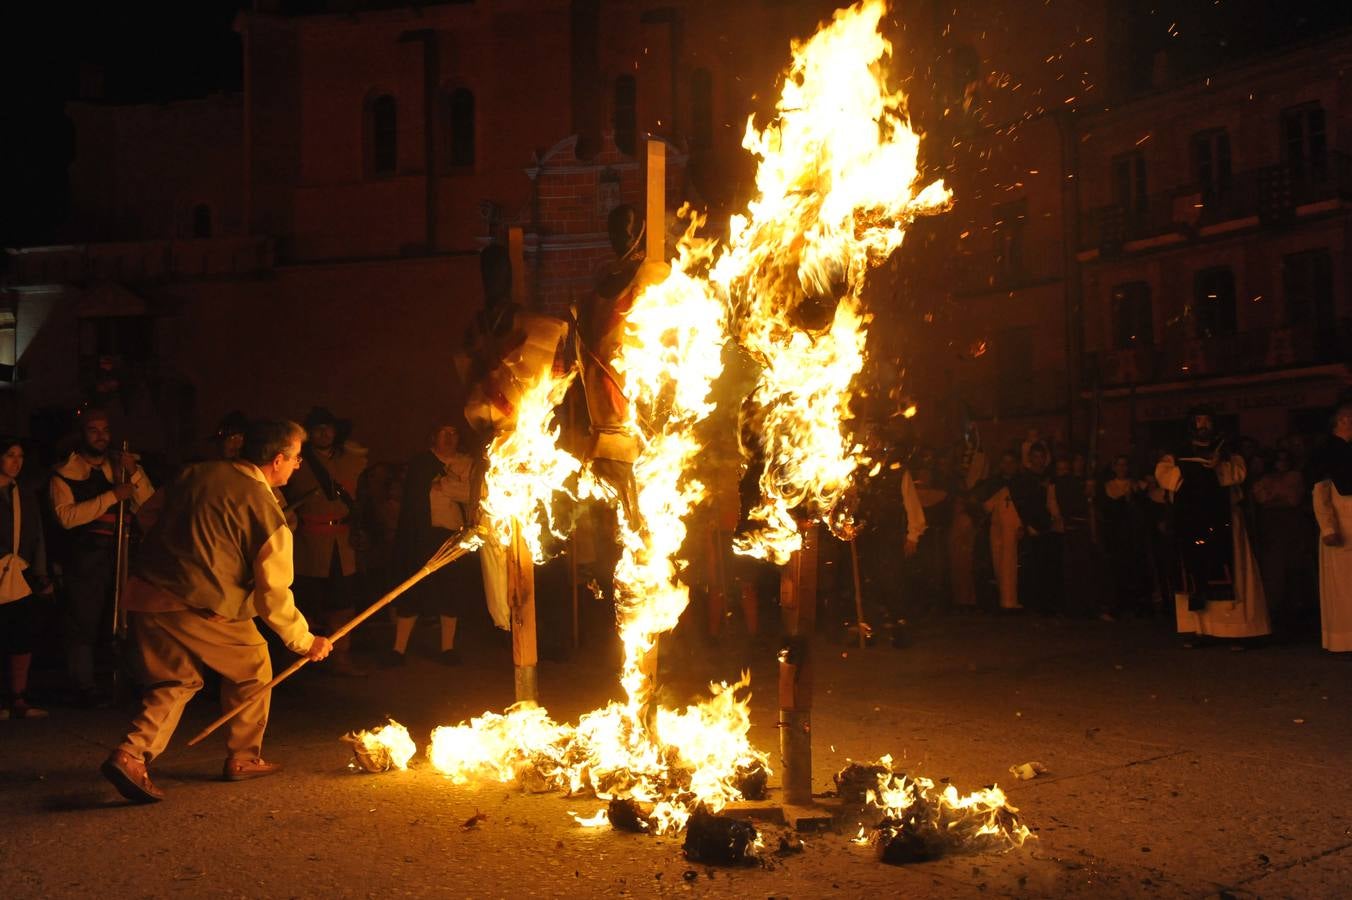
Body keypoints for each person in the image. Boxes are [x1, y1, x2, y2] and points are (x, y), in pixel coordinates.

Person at [100, 419, 333, 804]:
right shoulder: (266, 511)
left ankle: (130, 755)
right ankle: (244, 757)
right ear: (277, 460)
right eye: (295, 458)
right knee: (254, 666)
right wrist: (305, 641)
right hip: (200, 605)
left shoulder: (194, 474)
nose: (298, 465)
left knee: (176, 680)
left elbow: (147, 515)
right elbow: (273, 593)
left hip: (146, 592)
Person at [49, 408, 154, 705]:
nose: (101, 436)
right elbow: (67, 518)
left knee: (127, 618)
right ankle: (83, 685)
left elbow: (148, 505)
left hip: (124, 552)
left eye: (105, 430)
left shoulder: (121, 466)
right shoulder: (64, 473)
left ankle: (132, 681)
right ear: (81, 434)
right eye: (93, 430)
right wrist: (111, 496)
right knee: (83, 620)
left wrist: (134, 473)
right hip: (86, 557)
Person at [1156, 407, 1269, 646]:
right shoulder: (1179, 451)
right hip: (1191, 519)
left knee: (1232, 570)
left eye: (1207, 420)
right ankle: (1200, 630)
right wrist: (1188, 470)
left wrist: (1218, 466)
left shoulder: (1227, 450)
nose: (1203, 424)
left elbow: (1238, 473)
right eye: (1199, 420)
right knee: (1194, 572)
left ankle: (1236, 631)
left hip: (1223, 518)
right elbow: (1164, 475)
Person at [383, 423, 477, 666]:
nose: (449, 437)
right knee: (412, 588)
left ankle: (448, 648)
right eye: (444, 433)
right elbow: (415, 496)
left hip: (452, 536)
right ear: (434, 436)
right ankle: (398, 650)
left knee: (451, 590)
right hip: (420, 535)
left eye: (454, 432)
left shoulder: (466, 463)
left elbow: (472, 494)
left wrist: (443, 485)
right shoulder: (421, 464)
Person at [283, 406, 368, 675]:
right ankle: (299, 663)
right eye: (317, 429)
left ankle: (340, 658)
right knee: (305, 604)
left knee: (343, 605)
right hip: (307, 545)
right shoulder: (297, 462)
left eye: (328, 428)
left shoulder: (349, 458)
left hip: (342, 545)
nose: (323, 433)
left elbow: (362, 457)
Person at [0, 438, 53, 719]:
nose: (16, 462)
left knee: (21, 632)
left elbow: (37, 535)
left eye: (19, 456)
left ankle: (18, 696)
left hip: (20, 572)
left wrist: (40, 573)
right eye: (10, 455)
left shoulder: (24, 494)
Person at [1313, 401, 1352, 653]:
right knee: (1343, 585)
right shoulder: (1326, 451)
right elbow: (1320, 490)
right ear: (1340, 421)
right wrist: (1328, 527)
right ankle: (1344, 640)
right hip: (1343, 522)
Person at [979, 451, 1025, 611]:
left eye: (1011, 462)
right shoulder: (994, 483)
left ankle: (1010, 600)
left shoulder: (1021, 483)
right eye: (1005, 462)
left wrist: (1022, 525)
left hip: (1013, 528)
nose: (1008, 466)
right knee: (998, 562)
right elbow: (985, 506)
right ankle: (1002, 599)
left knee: (1010, 563)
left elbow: (1024, 507)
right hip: (996, 528)